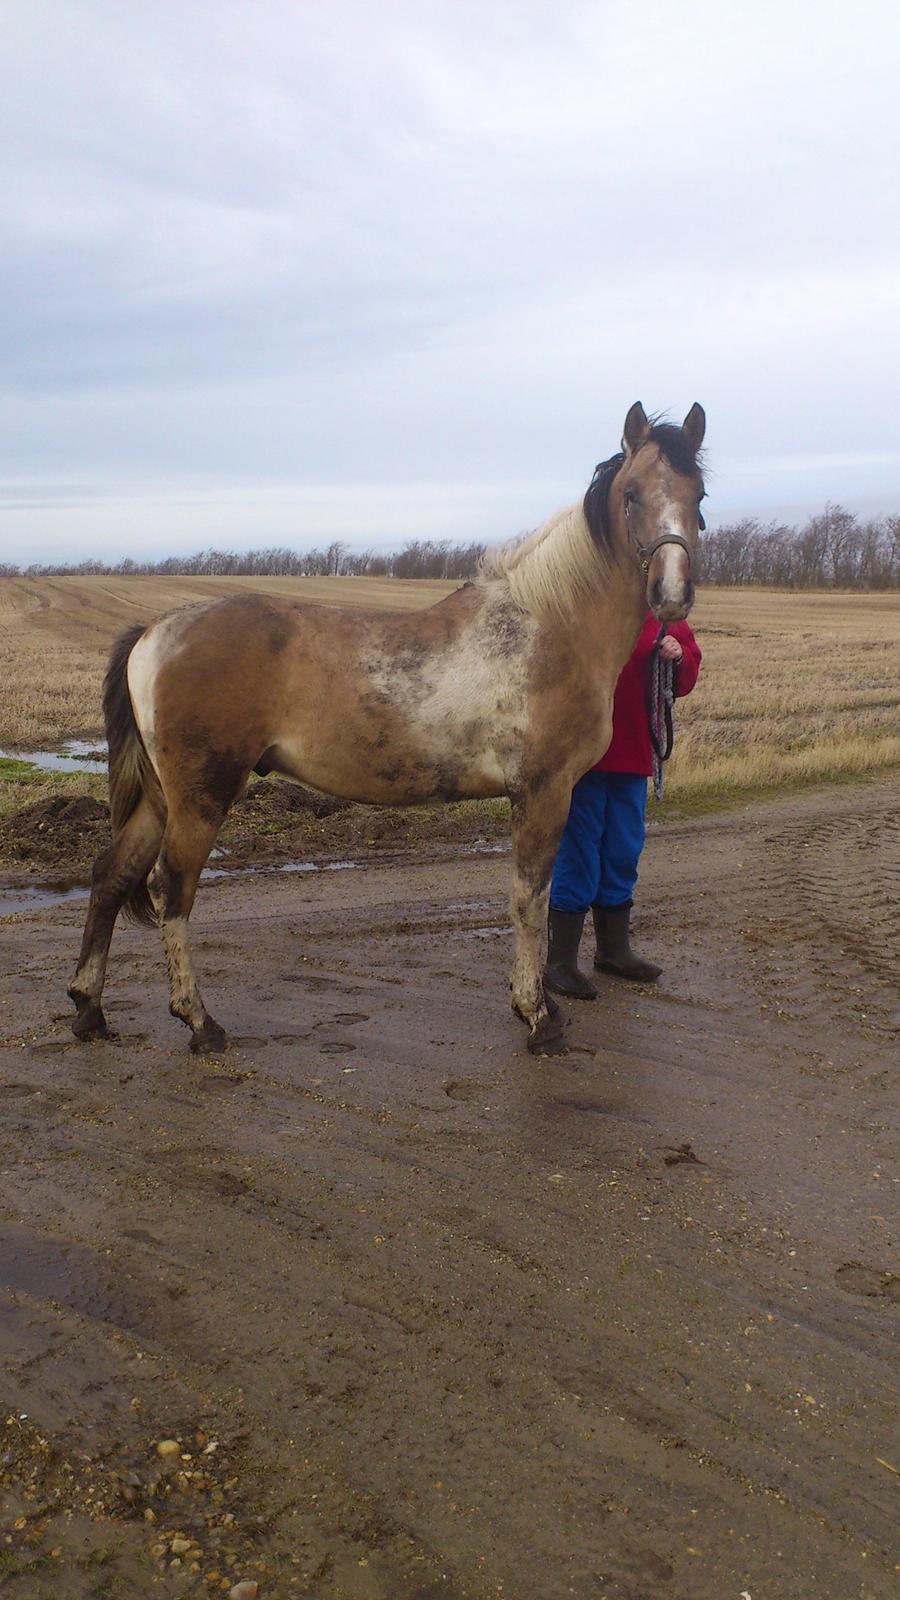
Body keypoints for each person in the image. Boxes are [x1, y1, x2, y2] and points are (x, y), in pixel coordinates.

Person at [544, 615, 701, 999]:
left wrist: (678, 657)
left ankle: (613, 951)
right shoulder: (589, 605)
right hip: (584, 756)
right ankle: (559, 963)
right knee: (580, 851)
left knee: (622, 850)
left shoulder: (665, 616)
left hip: (632, 753)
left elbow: (685, 680)